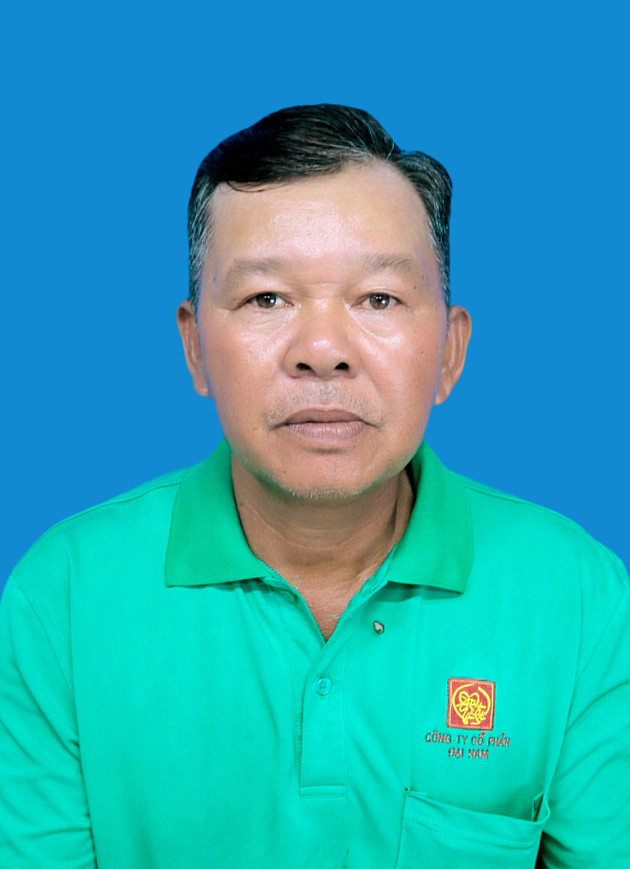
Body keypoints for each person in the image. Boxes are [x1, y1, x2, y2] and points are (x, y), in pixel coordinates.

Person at [0, 105, 628, 869]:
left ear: (450, 351)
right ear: (194, 347)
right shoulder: (62, 599)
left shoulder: (580, 599)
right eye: (267, 298)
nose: (323, 350)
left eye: (378, 298)